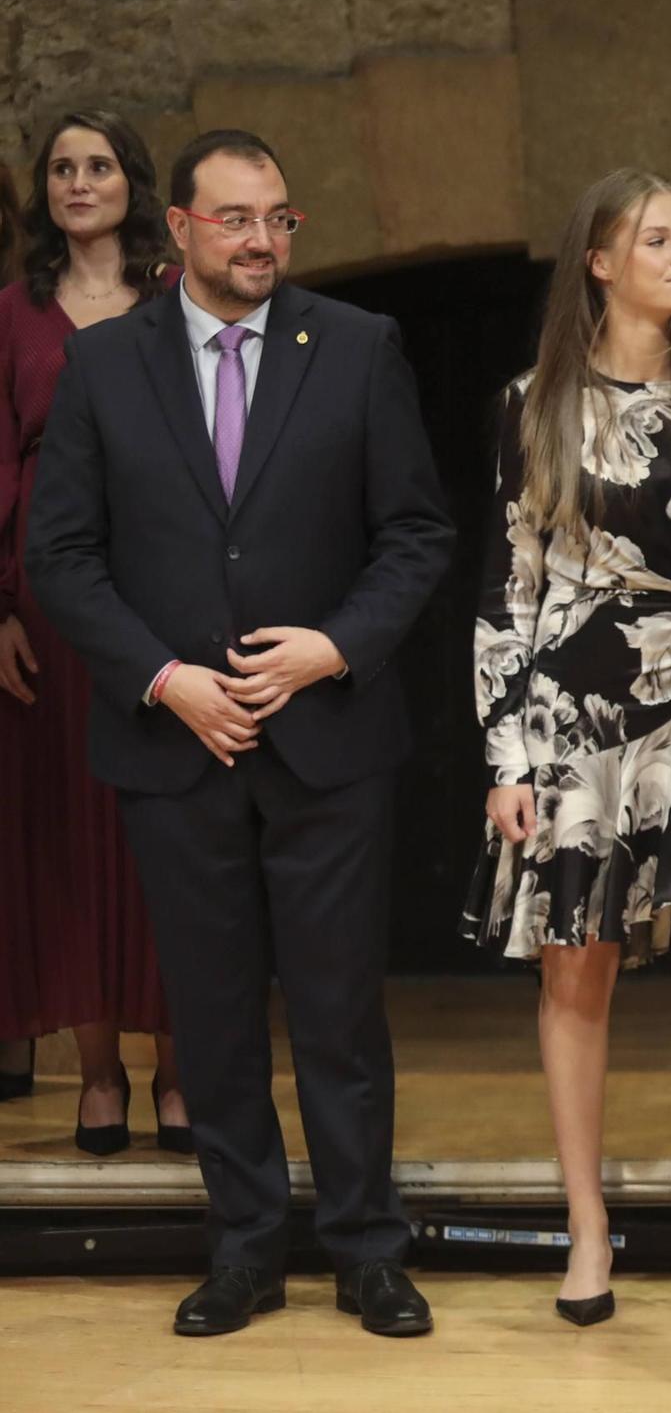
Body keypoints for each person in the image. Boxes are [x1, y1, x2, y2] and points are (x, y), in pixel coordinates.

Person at [25, 129, 454, 1337]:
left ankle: (368, 1250)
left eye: (278, 217)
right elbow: (59, 556)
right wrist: (165, 678)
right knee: (210, 1017)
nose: (261, 238)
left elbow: (415, 533)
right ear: (180, 228)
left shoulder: (359, 349)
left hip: (330, 743)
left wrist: (334, 647)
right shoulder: (105, 366)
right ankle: (246, 1249)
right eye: (235, 218)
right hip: (175, 747)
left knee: (337, 1013)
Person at [462, 168, 671, 1329]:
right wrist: (503, 752)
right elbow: (505, 584)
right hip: (571, 717)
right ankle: (588, 1229)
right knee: (575, 968)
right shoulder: (534, 400)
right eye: (656, 238)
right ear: (599, 260)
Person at [0, 111, 185, 1149]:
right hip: (51, 618)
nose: (78, 182)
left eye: (100, 164)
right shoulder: (10, 318)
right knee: (70, 841)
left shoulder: (176, 304)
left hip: (164, 604)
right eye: (62, 168)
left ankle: (179, 1071)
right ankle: (101, 1073)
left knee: (170, 836)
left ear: (134, 182)